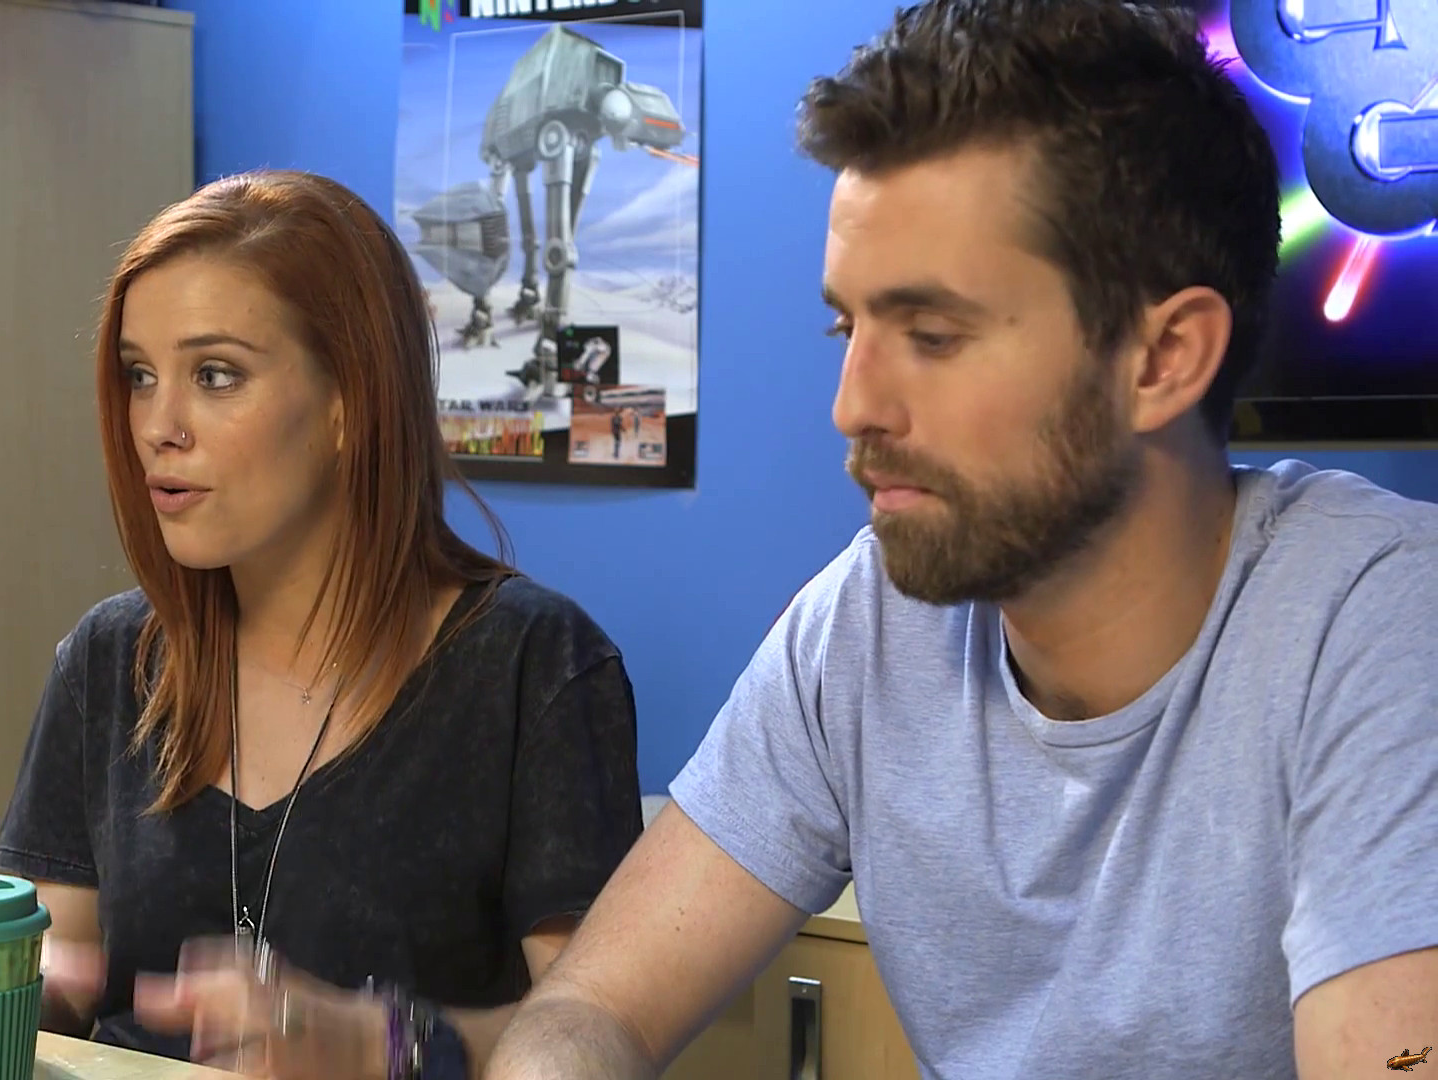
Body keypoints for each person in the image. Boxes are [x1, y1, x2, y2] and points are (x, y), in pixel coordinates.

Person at [484, 2, 1438, 1078]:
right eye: (847, 328)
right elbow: (594, 1006)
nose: (853, 407)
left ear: (1164, 357)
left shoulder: (1386, 626)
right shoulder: (865, 625)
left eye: (933, 336)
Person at [0, 169, 644, 1077]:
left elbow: (598, 1031)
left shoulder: (535, 667)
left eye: (215, 375)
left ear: (350, 404)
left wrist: (381, 1043)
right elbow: (63, 977)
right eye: (140, 376)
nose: (158, 426)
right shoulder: (108, 660)